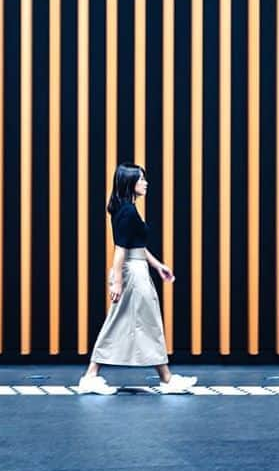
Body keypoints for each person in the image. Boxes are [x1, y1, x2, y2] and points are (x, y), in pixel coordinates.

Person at [76, 163, 198, 396]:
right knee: (146, 322)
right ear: (130, 182)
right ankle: (166, 379)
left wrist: (157, 265)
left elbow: (136, 245)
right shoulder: (128, 211)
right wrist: (117, 282)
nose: (146, 182)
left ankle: (92, 375)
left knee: (125, 321)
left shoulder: (124, 208)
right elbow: (121, 249)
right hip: (133, 274)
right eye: (141, 179)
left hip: (135, 269)